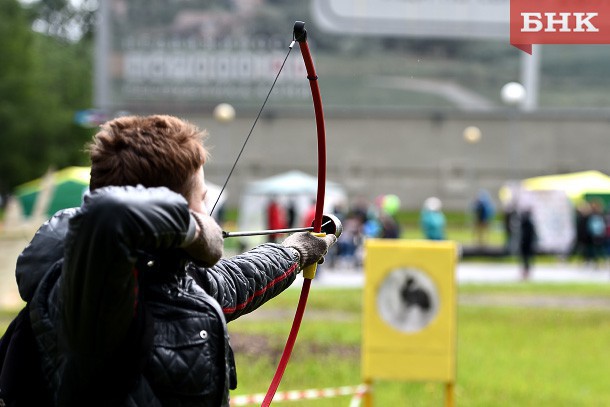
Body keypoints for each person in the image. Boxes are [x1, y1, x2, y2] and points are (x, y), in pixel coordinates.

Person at [1, 115, 336, 407]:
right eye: (201, 200)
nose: (208, 214)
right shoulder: (93, 301)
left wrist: (295, 252)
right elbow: (108, 215)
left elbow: (233, 280)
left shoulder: (165, 277)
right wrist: (196, 230)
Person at [519, 208, 537, 280]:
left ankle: (526, 270)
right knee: (526, 258)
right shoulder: (528, 223)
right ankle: (526, 270)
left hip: (526, 243)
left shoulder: (526, 223)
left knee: (526, 258)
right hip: (527, 244)